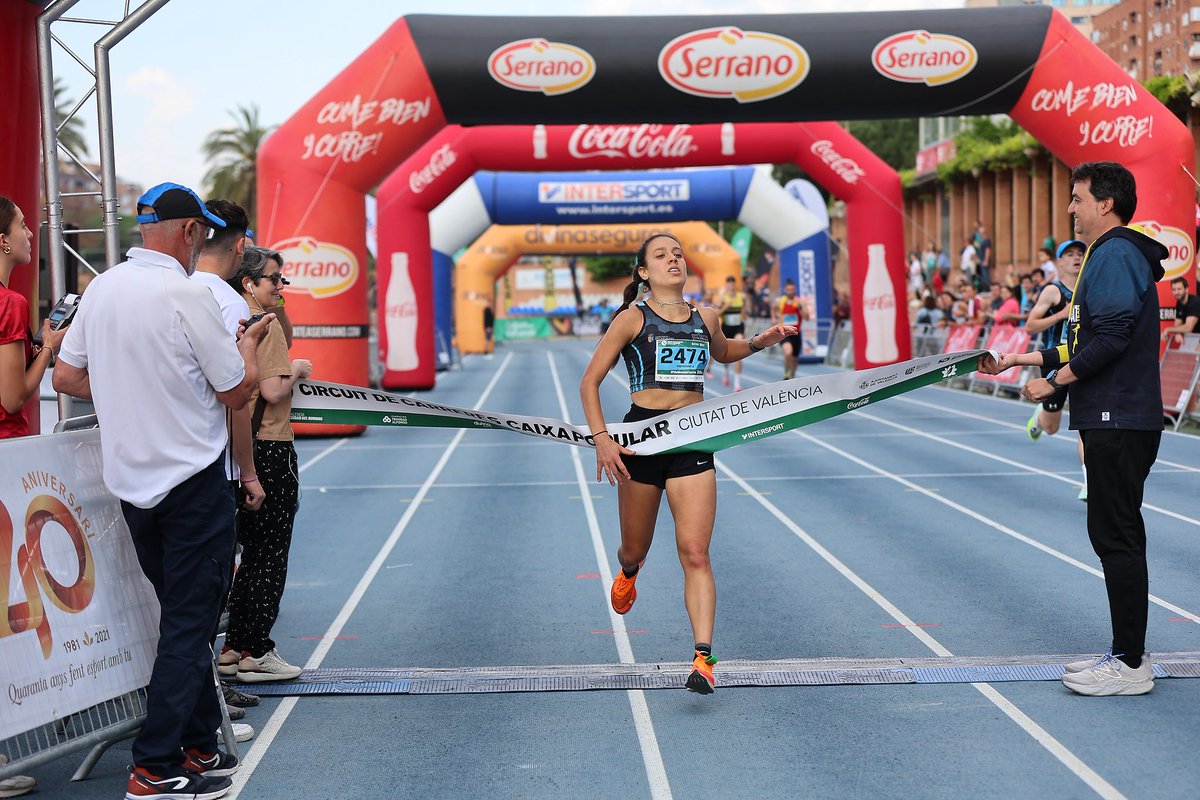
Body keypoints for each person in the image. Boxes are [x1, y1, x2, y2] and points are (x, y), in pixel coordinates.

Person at [53, 181, 272, 798]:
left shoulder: (101, 290)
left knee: (181, 621)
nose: (201, 239)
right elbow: (235, 390)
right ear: (187, 231)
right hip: (192, 482)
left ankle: (199, 743)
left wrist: (134, 390)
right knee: (189, 625)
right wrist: (249, 348)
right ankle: (153, 764)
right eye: (199, 230)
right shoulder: (186, 293)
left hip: (133, 486)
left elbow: (68, 375)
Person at [579, 234, 795, 694]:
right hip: (641, 442)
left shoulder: (707, 316)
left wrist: (762, 340)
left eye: (678, 253)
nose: (673, 259)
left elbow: (723, 351)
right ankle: (629, 573)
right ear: (644, 273)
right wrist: (603, 440)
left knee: (695, 553)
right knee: (634, 548)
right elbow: (589, 383)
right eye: (661, 255)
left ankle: (703, 657)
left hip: (694, 441)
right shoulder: (630, 320)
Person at [981, 162, 1167, 697]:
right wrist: (1023, 358)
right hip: (1113, 415)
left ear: (1104, 203)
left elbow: (1108, 341)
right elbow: (1086, 340)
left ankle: (1130, 663)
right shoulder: (1110, 258)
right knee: (1113, 534)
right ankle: (1126, 654)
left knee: (1117, 536)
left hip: (1118, 416)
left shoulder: (1115, 255)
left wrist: (1054, 382)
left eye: (1076, 198)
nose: (1070, 208)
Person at [220, 246, 312, 684]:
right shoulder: (264, 328)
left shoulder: (238, 318)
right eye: (275, 279)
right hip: (271, 446)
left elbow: (284, 336)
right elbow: (274, 390)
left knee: (249, 551)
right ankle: (257, 650)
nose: (282, 287)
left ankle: (235, 646)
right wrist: (296, 371)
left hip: (241, 446)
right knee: (269, 554)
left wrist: (277, 301)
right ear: (248, 284)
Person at [191, 199, 266, 717]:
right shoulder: (229, 304)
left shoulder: (169, 291)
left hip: (151, 466)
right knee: (208, 595)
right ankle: (205, 709)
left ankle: (199, 703)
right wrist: (248, 470)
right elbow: (238, 397)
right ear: (240, 245)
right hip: (207, 466)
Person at [1023, 240, 1089, 496]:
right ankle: (1040, 416)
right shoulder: (1053, 291)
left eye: (1079, 254)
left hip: (1083, 360)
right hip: (1054, 361)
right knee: (1051, 428)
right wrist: (1061, 315)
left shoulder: (1089, 288)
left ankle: (1089, 482)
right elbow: (1031, 326)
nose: (1075, 258)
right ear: (1059, 262)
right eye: (1069, 254)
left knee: (1086, 424)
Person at [0, 196, 66, 441]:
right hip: (7, 447)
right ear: (3, 240)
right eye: (23, 224)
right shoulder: (9, 303)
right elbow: (12, 399)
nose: (29, 234)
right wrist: (49, 346)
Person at [714, 275, 747, 391]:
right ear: (727, 285)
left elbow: (745, 312)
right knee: (727, 354)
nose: (731, 286)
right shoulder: (723, 298)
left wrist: (744, 314)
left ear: (735, 285)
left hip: (738, 327)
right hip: (726, 328)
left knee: (738, 353)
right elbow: (716, 314)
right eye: (729, 284)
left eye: (733, 284)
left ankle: (737, 383)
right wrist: (725, 307)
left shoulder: (741, 297)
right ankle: (726, 371)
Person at [772, 279, 805, 380]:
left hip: (796, 333)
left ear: (795, 290)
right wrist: (773, 318)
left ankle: (792, 375)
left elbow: (806, 317)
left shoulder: (799, 301)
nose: (790, 292)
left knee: (794, 359)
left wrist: (800, 308)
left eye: (792, 290)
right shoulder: (780, 301)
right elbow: (773, 307)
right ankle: (787, 375)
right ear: (785, 290)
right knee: (788, 352)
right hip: (784, 333)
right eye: (788, 290)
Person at [1161, 276, 1199, 344]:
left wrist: (1168, 330)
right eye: (1174, 289)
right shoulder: (1180, 303)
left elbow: (1188, 328)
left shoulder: (1194, 302)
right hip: (1195, 338)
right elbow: (1177, 324)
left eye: (1179, 289)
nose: (1176, 292)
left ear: (1186, 289)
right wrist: (1177, 333)